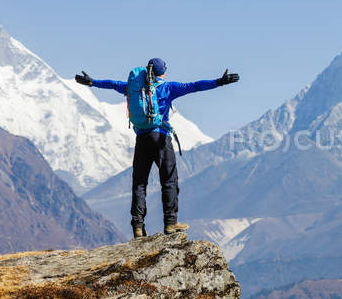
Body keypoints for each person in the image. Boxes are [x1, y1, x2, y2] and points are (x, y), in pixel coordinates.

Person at [75, 58, 239, 238]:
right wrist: (219, 82)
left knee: (139, 183)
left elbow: (112, 84)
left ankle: (138, 227)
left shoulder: (134, 87)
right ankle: (170, 223)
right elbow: (195, 86)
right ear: (163, 72)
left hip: (142, 137)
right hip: (160, 136)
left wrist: (92, 82)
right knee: (169, 180)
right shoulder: (168, 88)